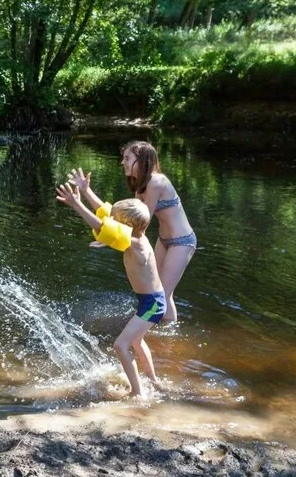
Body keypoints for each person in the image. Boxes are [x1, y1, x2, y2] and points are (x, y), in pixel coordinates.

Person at [56, 182, 165, 397]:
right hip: (150, 300)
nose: (111, 222)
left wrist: (77, 204)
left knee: (120, 345)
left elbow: (103, 228)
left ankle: (137, 393)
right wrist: (87, 191)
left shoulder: (136, 244)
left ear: (127, 226)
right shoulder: (135, 236)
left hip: (152, 304)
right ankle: (153, 381)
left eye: (116, 223)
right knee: (136, 341)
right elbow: (107, 216)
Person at [69, 141, 195, 322]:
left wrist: (108, 236)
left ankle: (166, 334)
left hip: (182, 242)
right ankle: (157, 328)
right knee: (160, 290)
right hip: (164, 240)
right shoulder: (142, 185)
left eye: (127, 158)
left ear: (142, 160)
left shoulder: (156, 182)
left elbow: (141, 223)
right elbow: (120, 216)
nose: (123, 162)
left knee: (163, 294)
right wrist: (86, 191)